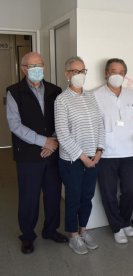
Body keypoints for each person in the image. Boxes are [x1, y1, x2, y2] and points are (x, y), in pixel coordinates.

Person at [6, 52, 68, 254]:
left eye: (39, 65)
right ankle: (27, 236)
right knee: (29, 197)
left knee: (52, 194)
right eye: (31, 66)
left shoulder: (55, 90)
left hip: (52, 152)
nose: (36, 69)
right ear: (23, 68)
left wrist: (54, 141)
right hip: (27, 155)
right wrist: (44, 141)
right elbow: (15, 126)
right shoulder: (14, 92)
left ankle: (51, 230)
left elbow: (62, 120)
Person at [93, 58, 133, 244]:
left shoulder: (132, 95)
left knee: (129, 189)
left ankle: (126, 222)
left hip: (129, 151)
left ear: (125, 75)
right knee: (108, 192)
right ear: (106, 73)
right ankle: (116, 227)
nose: (116, 75)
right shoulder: (95, 95)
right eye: (113, 71)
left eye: (120, 72)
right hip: (106, 153)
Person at [55, 56, 105, 255]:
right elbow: (62, 134)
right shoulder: (62, 100)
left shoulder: (91, 96)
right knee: (73, 198)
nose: (79, 75)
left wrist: (99, 151)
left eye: (82, 71)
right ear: (67, 74)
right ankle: (73, 235)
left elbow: (100, 125)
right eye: (75, 71)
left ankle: (83, 230)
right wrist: (83, 157)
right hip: (72, 161)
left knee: (87, 197)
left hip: (94, 158)